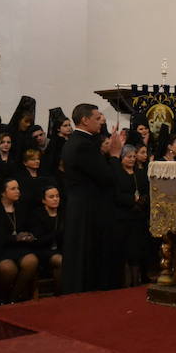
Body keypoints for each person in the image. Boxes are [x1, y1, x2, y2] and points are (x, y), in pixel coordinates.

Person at [61, 103, 123, 294]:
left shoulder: (76, 141)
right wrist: (114, 155)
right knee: (88, 254)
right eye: (97, 118)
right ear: (84, 120)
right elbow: (107, 178)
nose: (101, 122)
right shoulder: (83, 145)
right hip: (89, 208)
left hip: (81, 205)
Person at [0, 178, 39, 303]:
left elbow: (31, 226)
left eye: (18, 188)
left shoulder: (21, 206)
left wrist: (29, 235)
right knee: (9, 269)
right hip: (1, 248)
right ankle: (1, 299)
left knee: (31, 261)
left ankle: (13, 298)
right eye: (13, 189)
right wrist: (16, 237)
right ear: (3, 193)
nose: (17, 191)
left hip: (18, 247)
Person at [112, 145, 147, 289]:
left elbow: (145, 191)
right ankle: (124, 283)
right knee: (124, 251)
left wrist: (141, 201)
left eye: (134, 156)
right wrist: (132, 201)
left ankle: (136, 282)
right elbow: (116, 194)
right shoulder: (117, 173)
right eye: (129, 157)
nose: (132, 159)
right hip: (122, 217)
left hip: (137, 217)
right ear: (122, 157)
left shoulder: (139, 173)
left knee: (135, 251)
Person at [27, 185, 63, 291]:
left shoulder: (63, 213)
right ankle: (61, 295)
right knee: (60, 260)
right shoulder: (36, 215)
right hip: (43, 251)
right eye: (51, 197)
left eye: (57, 196)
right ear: (43, 200)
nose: (55, 199)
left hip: (60, 249)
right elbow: (37, 240)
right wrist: (56, 234)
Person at [7, 96, 37, 163]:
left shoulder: (30, 137)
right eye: (26, 121)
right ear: (19, 120)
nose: (28, 124)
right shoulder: (9, 134)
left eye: (30, 122)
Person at [43, 108, 71, 175]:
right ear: (58, 128)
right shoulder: (55, 142)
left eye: (69, 125)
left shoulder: (71, 138)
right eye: (65, 126)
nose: (69, 127)